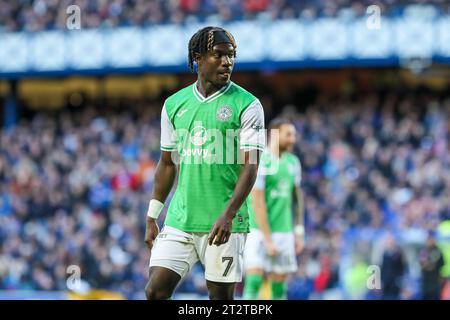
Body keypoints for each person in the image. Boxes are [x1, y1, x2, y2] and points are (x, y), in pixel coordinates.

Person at [143, 26, 266, 300]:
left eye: (231, 56)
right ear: (198, 58)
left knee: (220, 300)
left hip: (224, 222)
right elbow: (166, 164)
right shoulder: (174, 104)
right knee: (154, 292)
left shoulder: (248, 105)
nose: (227, 62)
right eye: (219, 55)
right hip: (180, 220)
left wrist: (230, 215)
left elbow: (251, 165)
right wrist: (153, 214)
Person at [242, 118, 305, 300]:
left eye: (294, 135)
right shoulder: (261, 160)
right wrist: (268, 239)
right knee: (253, 282)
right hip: (258, 231)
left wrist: (299, 231)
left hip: (284, 232)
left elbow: (297, 198)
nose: (293, 139)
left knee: (279, 288)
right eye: (289, 134)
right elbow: (257, 201)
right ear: (275, 134)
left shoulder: (293, 162)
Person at [380, 234, 406, 300]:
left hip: (395, 284)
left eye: (390, 242)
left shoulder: (398, 254)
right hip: (386, 284)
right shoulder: (384, 255)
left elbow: (401, 269)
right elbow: (383, 269)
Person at [419, 233, 445, 300]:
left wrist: (428, 264)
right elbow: (422, 265)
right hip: (425, 283)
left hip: (435, 282)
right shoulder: (424, 250)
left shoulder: (437, 251)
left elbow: (433, 266)